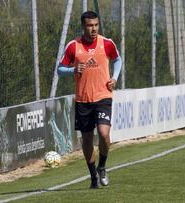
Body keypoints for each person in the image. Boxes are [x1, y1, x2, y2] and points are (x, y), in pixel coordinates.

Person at [57, 11, 122, 189]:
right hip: (83, 100)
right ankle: (93, 175)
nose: (93, 29)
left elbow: (117, 60)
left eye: (96, 25)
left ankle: (102, 166)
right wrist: (72, 70)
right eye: (89, 25)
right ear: (83, 26)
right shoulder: (73, 46)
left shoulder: (106, 43)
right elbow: (60, 69)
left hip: (103, 96)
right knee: (86, 140)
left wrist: (114, 77)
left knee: (104, 134)